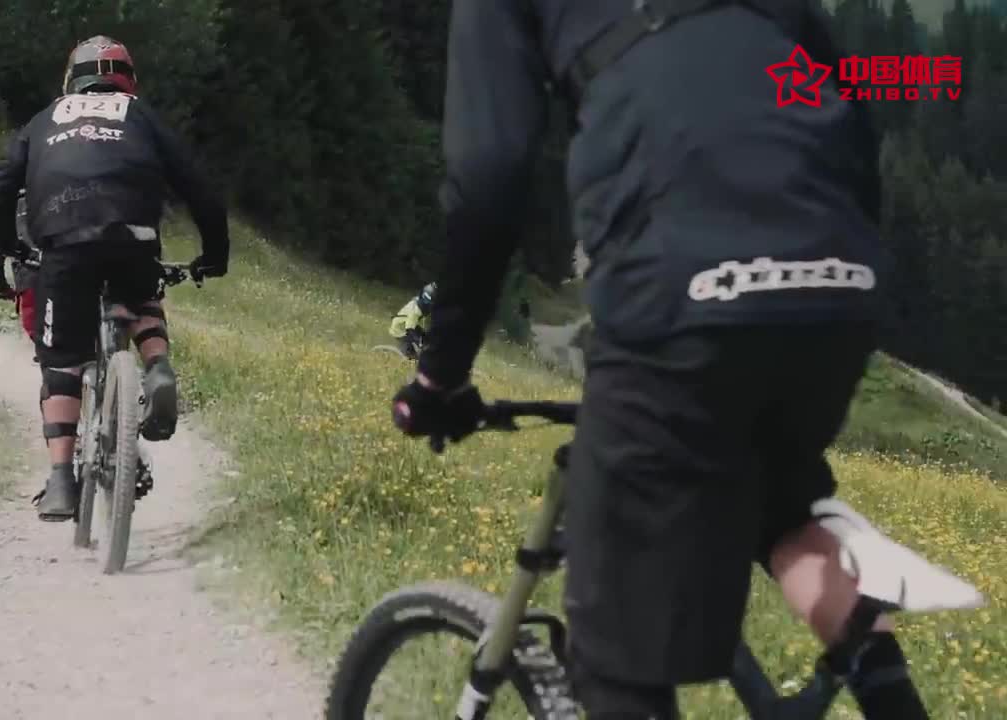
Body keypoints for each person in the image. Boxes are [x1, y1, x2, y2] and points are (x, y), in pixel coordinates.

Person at [389, 2, 930, 719]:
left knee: (614, 655)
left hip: (684, 288)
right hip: (837, 279)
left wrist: (441, 375)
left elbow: (489, 178)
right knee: (786, 510)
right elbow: (848, 109)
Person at [0, 35, 229, 522]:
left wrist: (10, 243)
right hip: (132, 234)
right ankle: (156, 368)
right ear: (127, 79)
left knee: (63, 363)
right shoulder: (140, 114)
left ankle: (59, 484)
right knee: (140, 296)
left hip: (63, 242)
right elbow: (200, 189)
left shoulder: (45, 118)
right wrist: (213, 256)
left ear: (71, 78)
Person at [0, 189, 40, 351]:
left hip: (30, 277)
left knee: (33, 321)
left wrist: (4, 289)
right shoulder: (55, 192)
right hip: (69, 266)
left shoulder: (5, 214)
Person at [388, 282, 436, 359]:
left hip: (409, 324)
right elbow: (409, 330)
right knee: (412, 349)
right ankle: (408, 355)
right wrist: (418, 343)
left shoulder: (421, 302)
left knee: (425, 337)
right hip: (401, 329)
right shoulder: (415, 311)